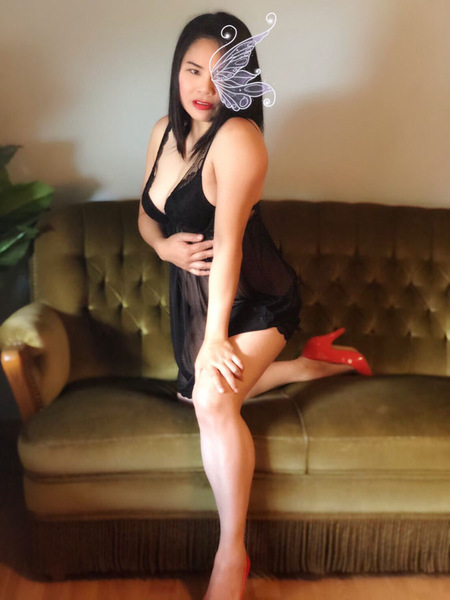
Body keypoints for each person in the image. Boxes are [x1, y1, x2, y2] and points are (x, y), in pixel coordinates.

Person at [138, 11, 371, 600]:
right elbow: (145, 214)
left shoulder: (240, 139)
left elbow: (232, 246)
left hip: (256, 298)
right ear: (177, 70)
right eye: (193, 70)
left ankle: (231, 555)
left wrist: (216, 337)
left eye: (223, 75)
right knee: (197, 392)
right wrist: (164, 247)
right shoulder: (164, 131)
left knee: (213, 397)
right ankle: (311, 364)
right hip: (198, 299)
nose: (204, 88)